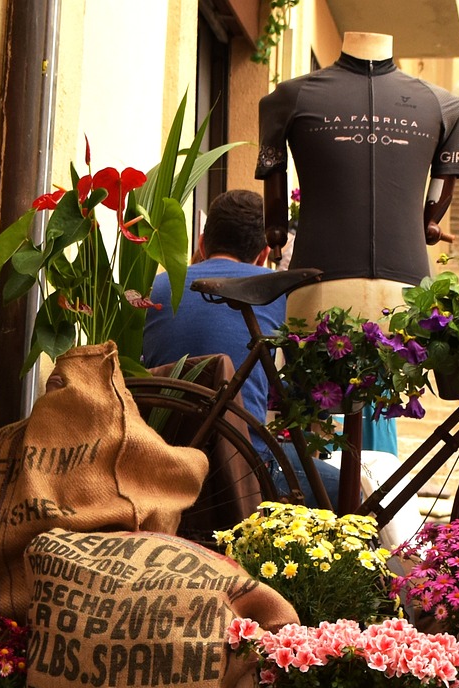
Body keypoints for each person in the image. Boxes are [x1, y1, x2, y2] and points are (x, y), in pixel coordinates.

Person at [143, 189, 343, 503]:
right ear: (264, 254)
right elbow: (307, 388)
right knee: (348, 488)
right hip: (242, 467)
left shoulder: (154, 287)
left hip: (156, 459)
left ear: (201, 243)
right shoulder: (274, 289)